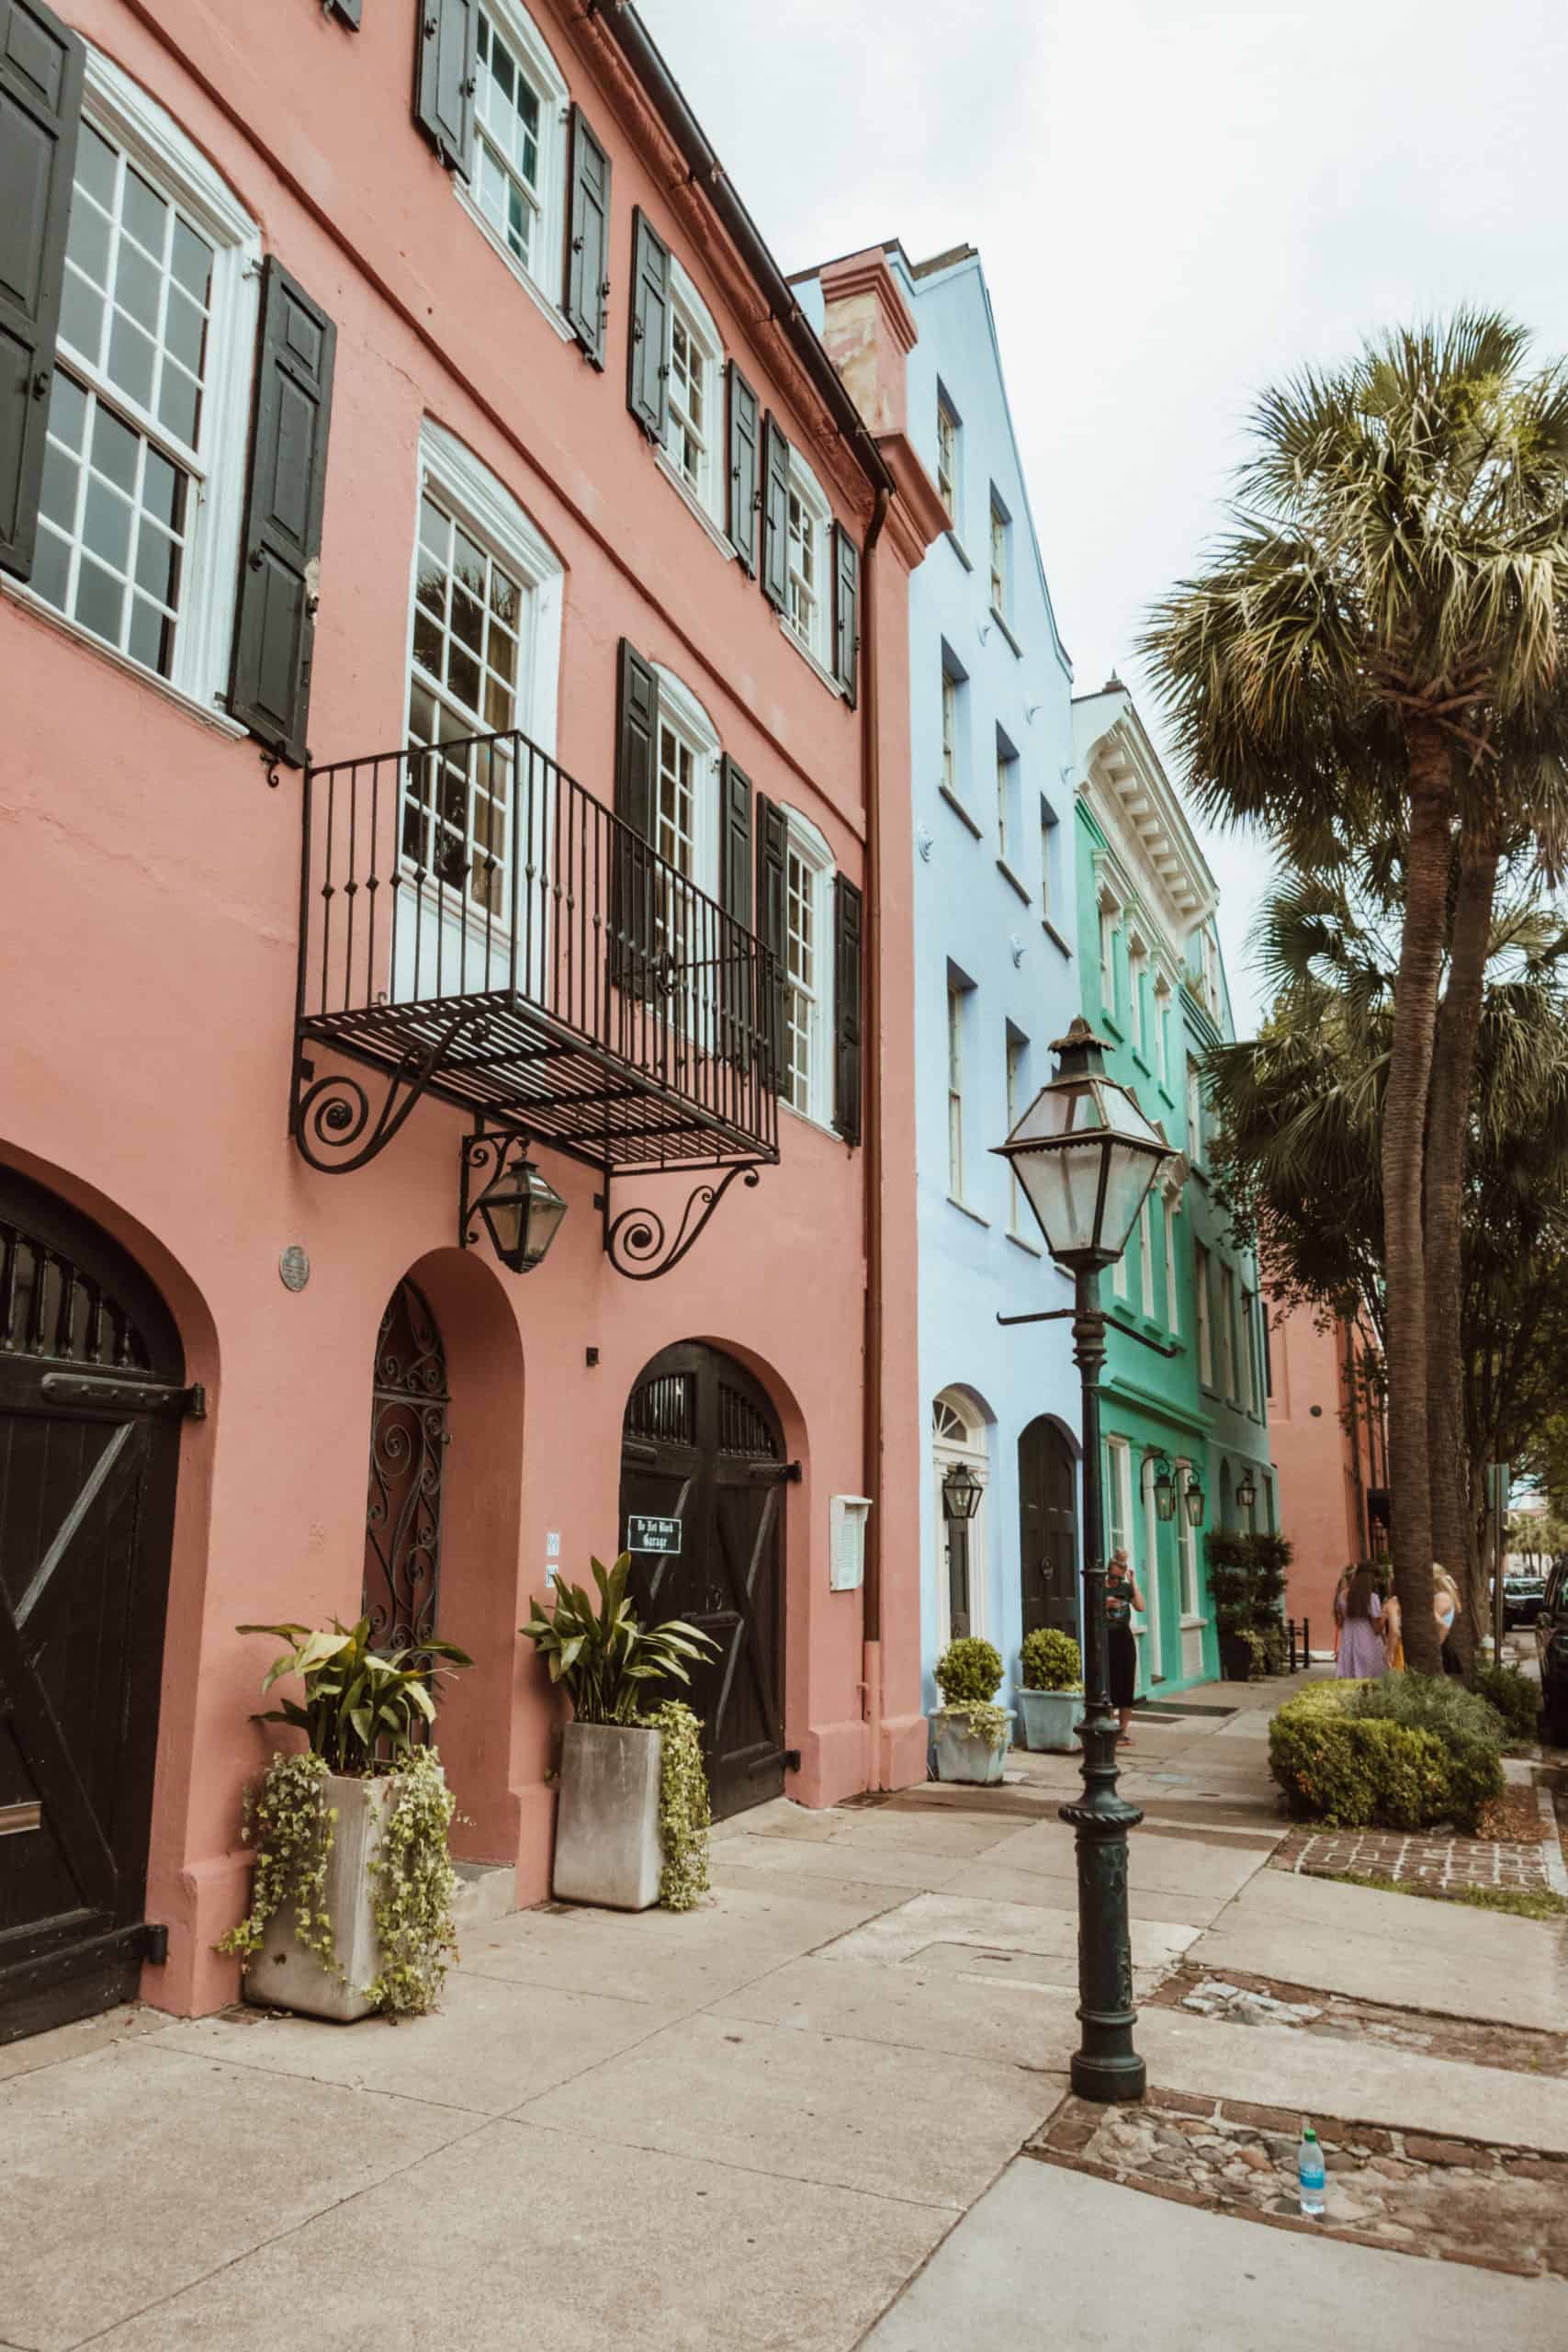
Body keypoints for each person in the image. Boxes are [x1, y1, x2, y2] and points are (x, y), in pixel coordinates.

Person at [1105, 1547, 1145, 1742]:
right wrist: (1104, 1604)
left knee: (1126, 1686)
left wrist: (1133, 1582)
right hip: (1106, 1639)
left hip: (1124, 1638)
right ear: (1107, 1572)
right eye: (1113, 1577)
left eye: (1119, 1578)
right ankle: (1109, 1729)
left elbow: (1140, 1606)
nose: (1115, 1581)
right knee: (1109, 1685)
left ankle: (1122, 1732)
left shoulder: (1125, 1588)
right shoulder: (1100, 1588)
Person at [1335, 1564, 1385, 1679]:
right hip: (1368, 1644)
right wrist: (1385, 1616)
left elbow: (1340, 1622)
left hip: (1348, 1644)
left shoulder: (1342, 1596)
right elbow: (1377, 1629)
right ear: (1373, 1578)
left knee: (1349, 1681)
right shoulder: (1372, 1598)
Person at [1433, 1566, 1463, 1674]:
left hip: (1441, 1648)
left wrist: (1434, 1650)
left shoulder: (1441, 1597)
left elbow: (1442, 1626)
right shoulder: (1443, 1596)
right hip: (1442, 1647)